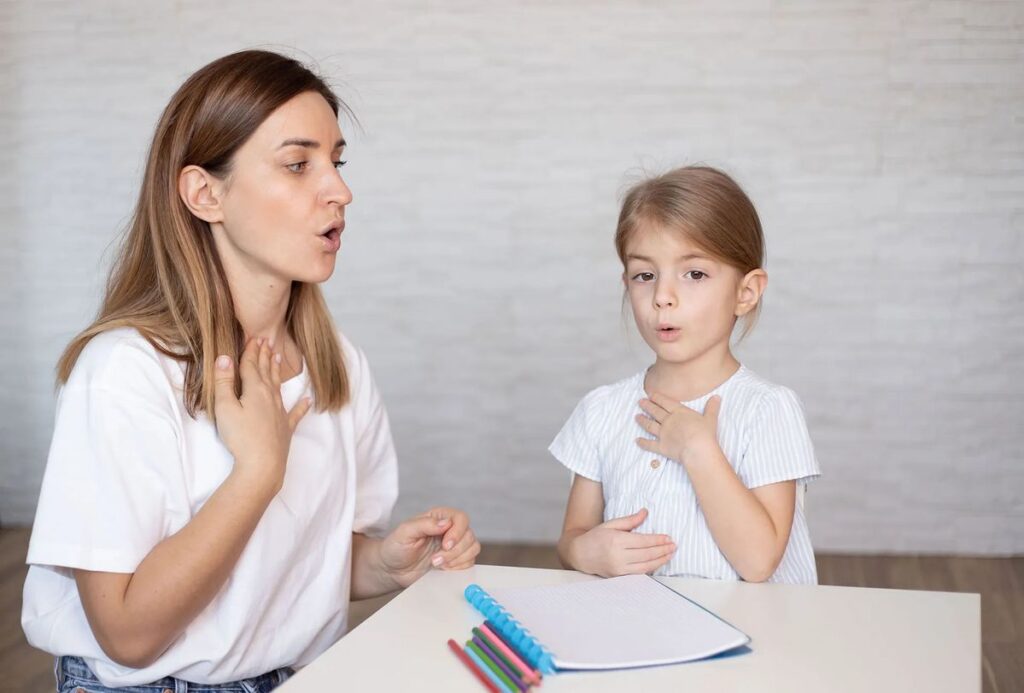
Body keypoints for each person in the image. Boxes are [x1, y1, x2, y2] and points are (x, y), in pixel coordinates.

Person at [22, 49, 480, 691]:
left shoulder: (336, 366)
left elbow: (293, 569)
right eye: (298, 165)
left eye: (336, 162)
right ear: (205, 193)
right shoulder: (125, 372)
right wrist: (259, 470)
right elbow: (126, 634)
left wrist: (385, 564)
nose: (340, 191)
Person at [552, 165, 819, 584]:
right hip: (637, 634)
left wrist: (698, 449)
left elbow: (760, 561)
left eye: (694, 274)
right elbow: (573, 537)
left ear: (745, 292)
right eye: (645, 276)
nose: (662, 297)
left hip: (755, 640)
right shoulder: (601, 410)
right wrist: (585, 551)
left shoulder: (767, 409)